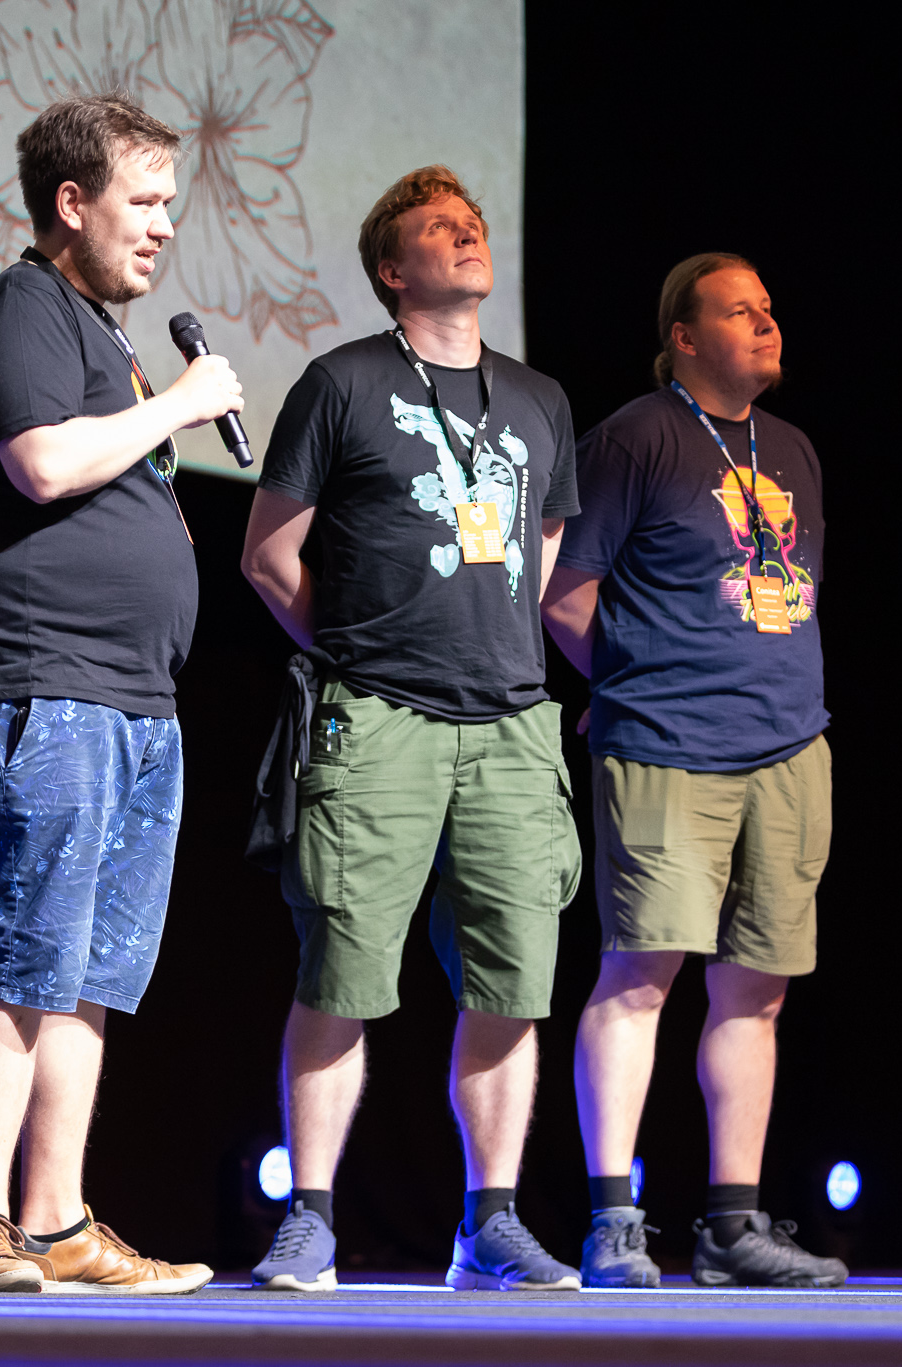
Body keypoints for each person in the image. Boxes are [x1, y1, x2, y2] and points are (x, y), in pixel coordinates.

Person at [240, 166, 585, 1292]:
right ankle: (309, 1218)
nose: (467, 232)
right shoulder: (341, 382)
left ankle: (489, 1225)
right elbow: (267, 555)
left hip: (512, 727)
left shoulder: (537, 398)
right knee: (341, 968)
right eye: (439, 226)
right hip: (377, 719)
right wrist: (356, 651)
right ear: (393, 269)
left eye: (471, 221)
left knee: (511, 979)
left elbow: (539, 554)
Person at [0, 93, 244, 1294]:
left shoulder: (100, 336)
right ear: (71, 202)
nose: (162, 225)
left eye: (169, 203)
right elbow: (42, 462)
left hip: (134, 701)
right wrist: (182, 402)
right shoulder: (20, 306)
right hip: (45, 680)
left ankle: (56, 1220)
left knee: (91, 969)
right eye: (142, 201)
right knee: (22, 948)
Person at [542, 253, 849, 1289]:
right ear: (682, 335)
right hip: (666, 747)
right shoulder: (636, 437)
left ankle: (730, 1225)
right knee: (641, 975)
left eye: (769, 308)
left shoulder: (793, 449)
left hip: (789, 747)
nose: (765, 322)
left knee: (756, 992)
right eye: (738, 310)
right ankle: (613, 1221)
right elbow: (563, 592)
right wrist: (632, 685)